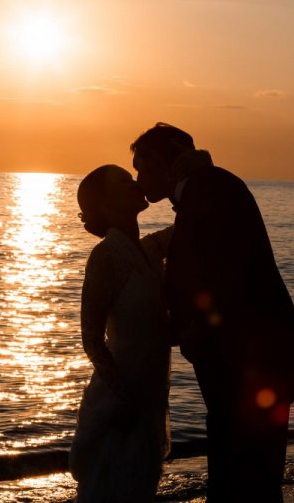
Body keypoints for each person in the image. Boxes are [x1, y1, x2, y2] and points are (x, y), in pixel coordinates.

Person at [131, 123, 294, 502]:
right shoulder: (206, 189)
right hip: (251, 364)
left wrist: (165, 329)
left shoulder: (208, 189)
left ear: (156, 160)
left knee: (247, 482)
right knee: (247, 480)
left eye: (138, 166)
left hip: (249, 367)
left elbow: (217, 283)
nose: (137, 178)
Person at [69, 164, 173, 502]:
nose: (135, 183)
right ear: (108, 204)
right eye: (125, 182)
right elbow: (92, 341)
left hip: (149, 400)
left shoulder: (146, 251)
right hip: (119, 408)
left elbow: (190, 228)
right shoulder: (106, 257)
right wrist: (126, 401)